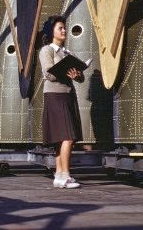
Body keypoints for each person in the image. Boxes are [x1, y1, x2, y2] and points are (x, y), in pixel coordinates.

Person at [39, 15, 83, 188]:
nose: (64, 31)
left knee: (62, 137)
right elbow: (48, 74)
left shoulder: (67, 53)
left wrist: (77, 75)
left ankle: (58, 176)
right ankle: (65, 175)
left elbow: (80, 77)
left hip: (68, 95)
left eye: (64, 28)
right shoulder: (47, 50)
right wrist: (65, 73)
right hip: (55, 96)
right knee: (67, 136)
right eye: (60, 28)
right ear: (52, 32)